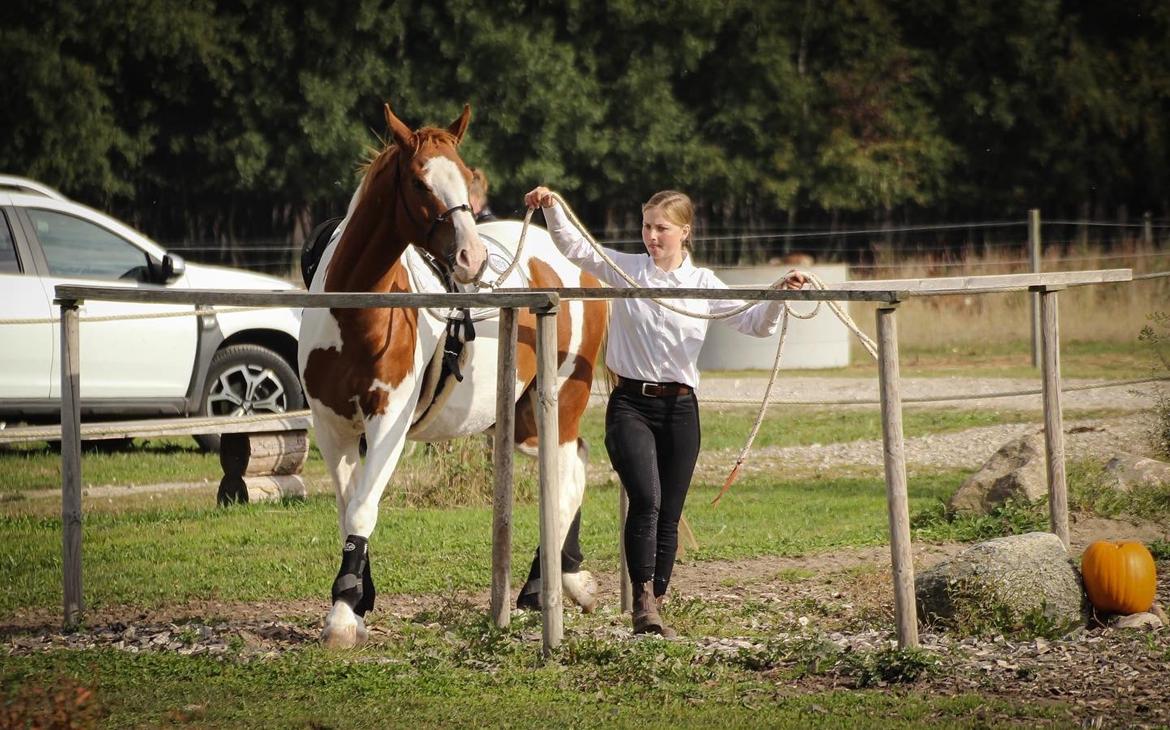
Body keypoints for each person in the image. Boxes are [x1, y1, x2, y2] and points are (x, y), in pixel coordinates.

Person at [524, 186, 807, 637]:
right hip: (630, 405)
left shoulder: (704, 284)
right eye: (647, 226)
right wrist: (552, 207)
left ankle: (656, 601)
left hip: (680, 410)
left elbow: (755, 323)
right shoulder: (626, 269)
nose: (651, 236)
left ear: (685, 232)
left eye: (661, 228)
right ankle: (642, 601)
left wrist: (779, 295)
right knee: (648, 500)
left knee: (670, 513)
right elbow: (575, 247)